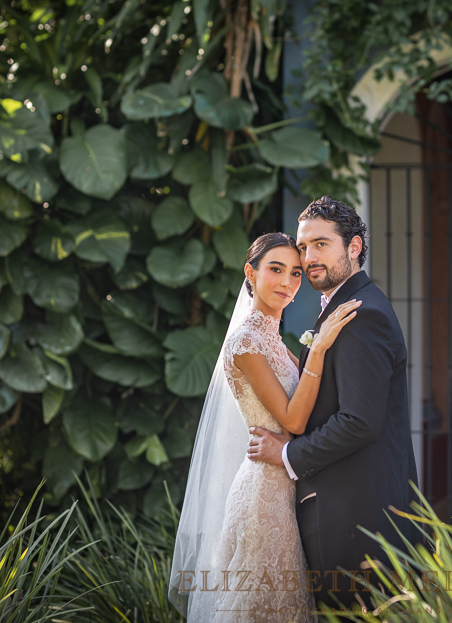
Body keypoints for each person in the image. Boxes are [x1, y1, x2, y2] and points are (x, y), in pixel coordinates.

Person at [167, 231, 360, 622]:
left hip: (284, 489)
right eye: (276, 270)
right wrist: (319, 349)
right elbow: (292, 419)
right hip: (263, 499)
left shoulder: (274, 339)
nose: (288, 282)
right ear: (250, 273)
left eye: (295, 273)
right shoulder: (246, 342)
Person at [247, 197, 420, 612]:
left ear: (354, 247)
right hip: (345, 512)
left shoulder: (363, 315)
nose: (308, 259)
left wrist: (286, 453)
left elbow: (360, 422)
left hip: (358, 518)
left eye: (321, 245)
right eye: (303, 248)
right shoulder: (342, 308)